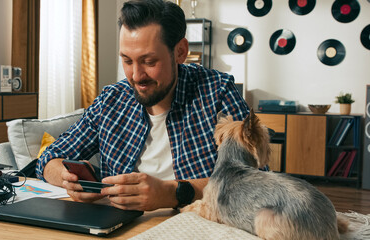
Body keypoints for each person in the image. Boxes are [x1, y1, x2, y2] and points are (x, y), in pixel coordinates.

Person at [36, 0, 249, 211]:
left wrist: (172, 193)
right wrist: (68, 179)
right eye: (127, 61)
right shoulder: (111, 100)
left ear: (180, 52)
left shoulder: (218, 92)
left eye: (149, 61)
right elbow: (47, 159)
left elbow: (251, 179)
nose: (136, 76)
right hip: (120, 227)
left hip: (198, 225)